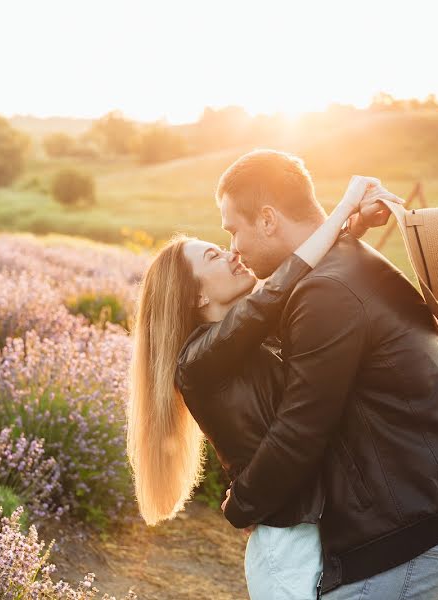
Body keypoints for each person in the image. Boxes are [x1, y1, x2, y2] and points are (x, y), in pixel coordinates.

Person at [216, 149, 438, 600]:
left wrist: (241, 504)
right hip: (428, 517)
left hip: (403, 537)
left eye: (233, 230)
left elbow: (300, 430)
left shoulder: (327, 291)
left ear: (266, 219)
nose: (232, 247)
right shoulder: (340, 263)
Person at [127, 175, 390, 598]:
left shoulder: (244, 340)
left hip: (309, 527)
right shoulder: (197, 360)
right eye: (214, 256)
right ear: (194, 297)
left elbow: (295, 288)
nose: (232, 254)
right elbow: (283, 284)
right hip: (285, 543)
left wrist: (352, 229)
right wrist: (342, 208)